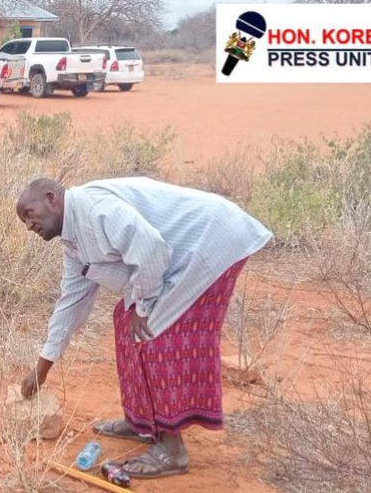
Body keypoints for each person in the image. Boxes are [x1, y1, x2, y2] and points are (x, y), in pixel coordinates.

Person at [15, 176, 272, 480]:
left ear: (51, 199)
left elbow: (151, 248)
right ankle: (143, 422)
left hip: (212, 240)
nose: (29, 226)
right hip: (177, 257)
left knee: (154, 334)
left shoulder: (96, 211)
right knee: (126, 321)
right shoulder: (73, 241)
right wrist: (42, 368)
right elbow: (71, 302)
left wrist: (144, 304)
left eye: (29, 214)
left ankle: (172, 450)